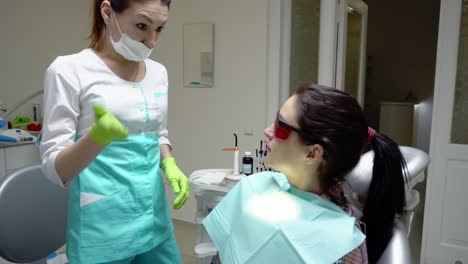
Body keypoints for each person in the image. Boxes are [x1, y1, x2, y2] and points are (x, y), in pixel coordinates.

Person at [39, 0, 190, 263]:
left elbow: (158, 132)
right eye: (142, 26)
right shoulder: (68, 70)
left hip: (154, 219)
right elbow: (54, 170)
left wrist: (169, 162)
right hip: (102, 230)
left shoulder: (158, 72)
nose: (152, 41)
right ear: (108, 12)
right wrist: (97, 138)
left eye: (160, 29)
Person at [204, 84, 408, 263]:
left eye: (280, 126)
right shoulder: (252, 187)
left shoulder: (342, 244)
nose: (268, 130)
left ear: (312, 153)